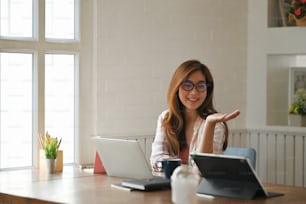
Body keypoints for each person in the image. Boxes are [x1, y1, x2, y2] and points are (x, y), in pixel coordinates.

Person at [150, 59, 240, 171]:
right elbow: (157, 158)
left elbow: (203, 169)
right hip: (171, 186)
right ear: (177, 88)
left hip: (201, 187)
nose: (194, 92)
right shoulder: (166, 118)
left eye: (201, 86)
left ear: (208, 89)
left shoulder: (216, 124)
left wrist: (209, 125)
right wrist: (181, 170)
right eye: (187, 85)